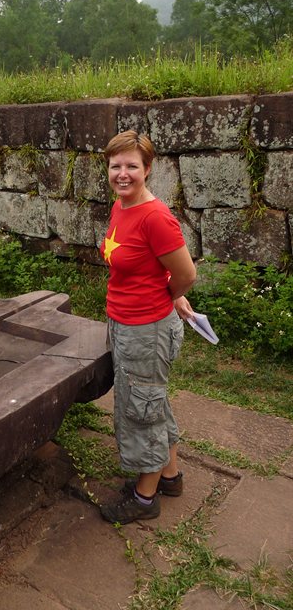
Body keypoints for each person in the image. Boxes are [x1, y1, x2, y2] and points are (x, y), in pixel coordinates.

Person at [98, 130, 196, 525]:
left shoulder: (155, 217)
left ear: (148, 168)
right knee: (150, 401)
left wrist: (170, 296)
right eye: (115, 165)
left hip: (146, 329)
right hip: (126, 323)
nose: (122, 173)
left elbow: (186, 274)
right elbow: (149, 264)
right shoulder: (122, 206)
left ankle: (144, 498)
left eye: (131, 166)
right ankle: (169, 477)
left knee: (143, 410)